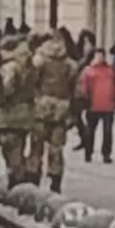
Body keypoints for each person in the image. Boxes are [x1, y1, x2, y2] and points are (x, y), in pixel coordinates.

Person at [29, 31, 78, 192]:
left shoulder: (39, 60)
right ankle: (55, 180)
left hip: (41, 106)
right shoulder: (69, 63)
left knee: (36, 146)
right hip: (61, 108)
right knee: (56, 147)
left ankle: (33, 176)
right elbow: (74, 87)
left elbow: (32, 82)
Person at [0, 34, 37, 188]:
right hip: (26, 113)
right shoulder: (30, 66)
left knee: (10, 149)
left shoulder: (11, 67)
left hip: (10, 114)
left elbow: (7, 89)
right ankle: (21, 176)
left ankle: (16, 181)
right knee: (18, 147)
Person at [78, 49, 115, 163]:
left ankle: (106, 154)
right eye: (97, 56)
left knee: (107, 131)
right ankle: (88, 152)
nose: (100, 59)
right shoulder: (88, 71)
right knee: (90, 131)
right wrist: (84, 100)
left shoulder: (110, 71)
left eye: (101, 56)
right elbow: (83, 87)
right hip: (93, 105)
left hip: (108, 105)